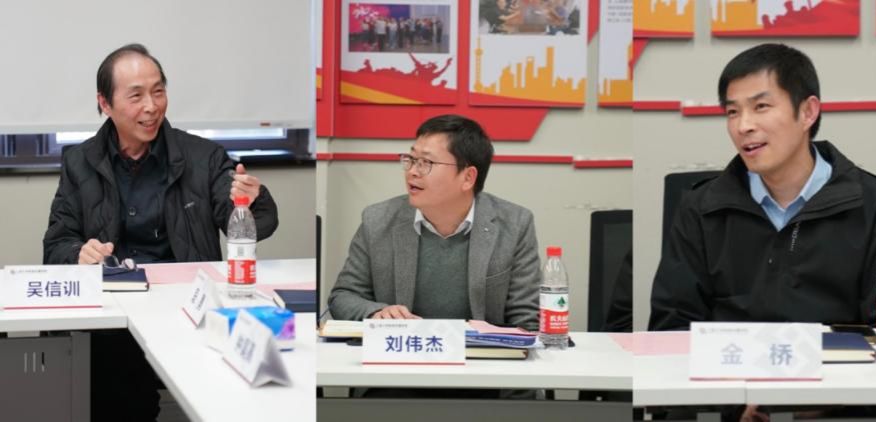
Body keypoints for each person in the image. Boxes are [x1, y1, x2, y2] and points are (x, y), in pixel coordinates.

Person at [42, 43, 279, 421]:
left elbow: (248, 226)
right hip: (114, 321)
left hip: (188, 312)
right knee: (113, 390)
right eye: (136, 96)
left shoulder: (203, 157)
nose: (152, 106)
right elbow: (56, 244)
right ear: (105, 103)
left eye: (158, 91)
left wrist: (252, 200)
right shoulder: (79, 161)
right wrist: (79, 253)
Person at [650, 43, 876, 331]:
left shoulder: (875, 206)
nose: (743, 126)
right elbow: (671, 329)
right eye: (732, 112)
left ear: (807, 112)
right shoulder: (701, 209)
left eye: (761, 107)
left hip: (836, 361)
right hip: (730, 361)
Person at [328, 114, 541, 330]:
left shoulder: (515, 224)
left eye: (426, 162)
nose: (412, 172)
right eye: (411, 160)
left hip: (479, 350)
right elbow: (343, 296)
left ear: (468, 177)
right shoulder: (377, 220)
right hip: (404, 348)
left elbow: (526, 317)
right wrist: (377, 313)